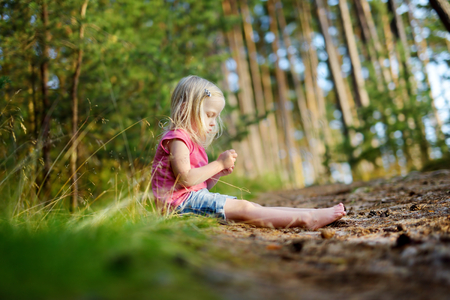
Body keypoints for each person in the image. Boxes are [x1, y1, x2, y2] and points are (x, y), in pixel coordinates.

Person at [151, 75, 346, 229]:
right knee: (245, 208)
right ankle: (307, 219)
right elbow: (185, 179)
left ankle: (309, 214)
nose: (212, 122)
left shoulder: (191, 142)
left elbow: (201, 186)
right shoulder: (178, 139)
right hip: (178, 206)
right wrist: (218, 164)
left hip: (188, 201)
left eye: (215, 116)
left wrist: (217, 172)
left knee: (253, 208)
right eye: (209, 115)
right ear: (186, 110)